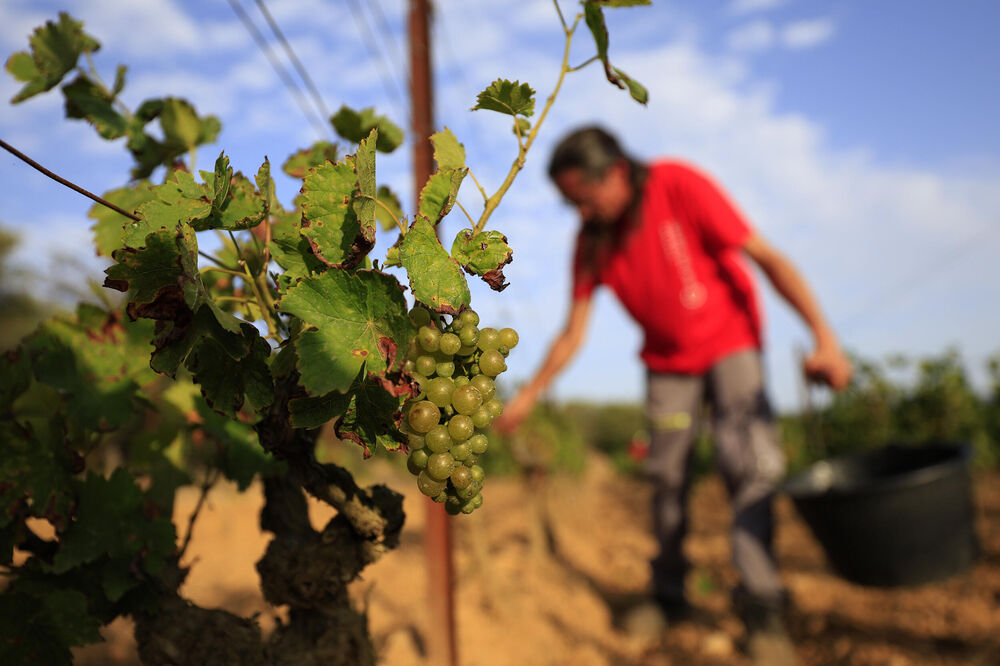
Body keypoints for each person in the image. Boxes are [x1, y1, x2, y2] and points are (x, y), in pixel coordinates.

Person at [494, 126, 852, 662]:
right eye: (571, 205)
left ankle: (762, 608)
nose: (581, 215)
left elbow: (767, 258)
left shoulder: (678, 185)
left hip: (733, 344)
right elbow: (573, 333)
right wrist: (529, 394)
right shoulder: (591, 241)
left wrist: (825, 337)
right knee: (665, 472)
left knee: (748, 466)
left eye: (584, 201)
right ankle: (668, 594)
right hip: (667, 365)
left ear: (615, 172)